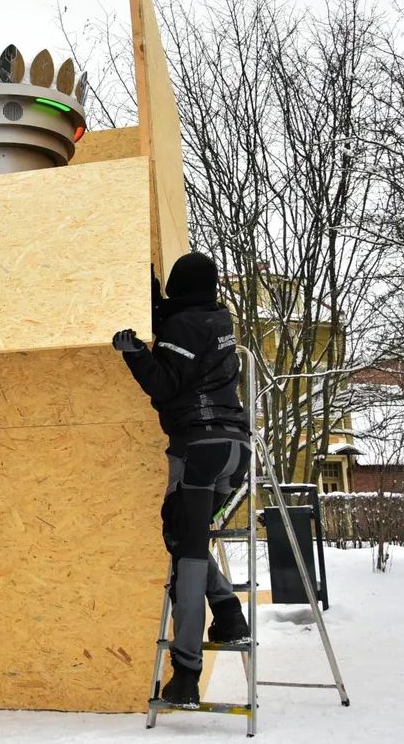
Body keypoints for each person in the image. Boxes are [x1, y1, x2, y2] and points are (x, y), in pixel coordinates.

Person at [112, 252, 251, 709]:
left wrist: (134, 353)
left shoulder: (182, 327)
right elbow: (182, 324)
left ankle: (186, 676)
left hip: (198, 450)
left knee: (187, 560)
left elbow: (166, 385)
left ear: (179, 286)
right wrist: (152, 298)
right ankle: (229, 616)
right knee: (182, 536)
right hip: (236, 450)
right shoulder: (217, 317)